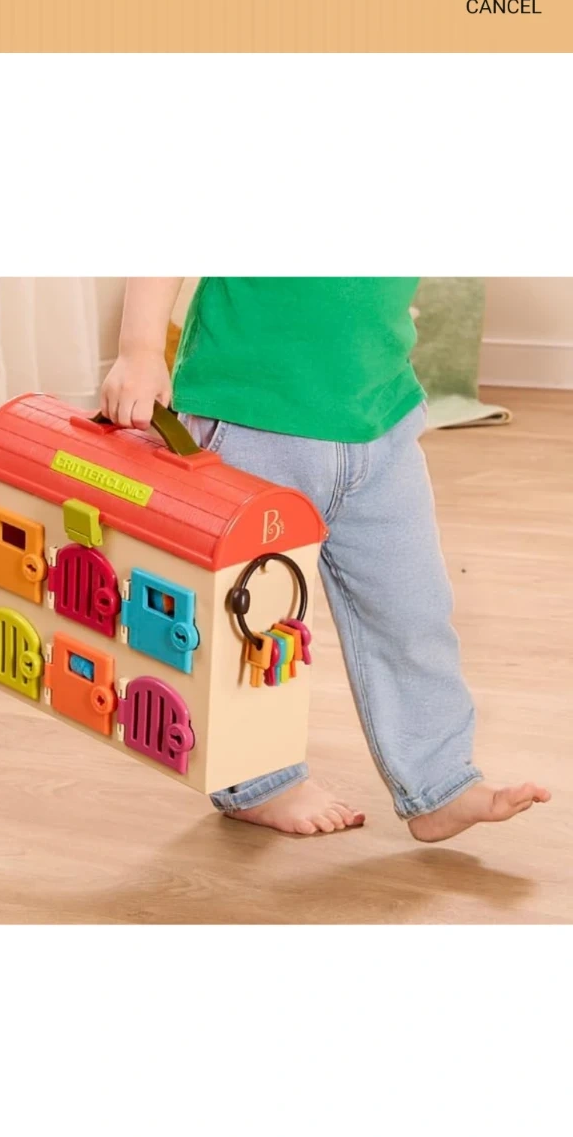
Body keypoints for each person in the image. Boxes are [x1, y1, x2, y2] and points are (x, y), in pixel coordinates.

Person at [102, 276, 550, 840]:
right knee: (252, 624)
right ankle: (256, 781)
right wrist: (139, 350)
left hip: (380, 418)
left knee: (413, 609)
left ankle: (438, 782)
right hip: (250, 420)